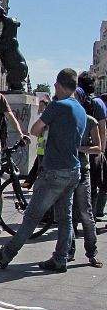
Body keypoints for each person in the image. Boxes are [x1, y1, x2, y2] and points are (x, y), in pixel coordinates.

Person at [0, 68, 86, 272]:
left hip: (55, 170)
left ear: (58, 85)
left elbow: (35, 129)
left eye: (56, 85)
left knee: (32, 215)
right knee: (65, 217)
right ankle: (61, 258)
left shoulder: (58, 106)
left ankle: (6, 253)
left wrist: (49, 127)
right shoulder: (80, 109)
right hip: (74, 169)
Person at [68, 87, 103, 268]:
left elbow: (98, 148)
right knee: (68, 216)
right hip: (65, 170)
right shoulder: (65, 118)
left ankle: (92, 252)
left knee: (85, 213)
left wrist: (79, 149)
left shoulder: (90, 121)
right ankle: (68, 252)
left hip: (82, 170)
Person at [77, 72, 107, 218]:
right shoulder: (99, 103)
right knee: (93, 186)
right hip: (93, 148)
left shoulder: (76, 100)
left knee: (76, 186)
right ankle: (91, 218)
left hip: (77, 148)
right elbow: (102, 129)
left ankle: (74, 220)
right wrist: (101, 151)